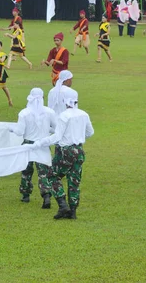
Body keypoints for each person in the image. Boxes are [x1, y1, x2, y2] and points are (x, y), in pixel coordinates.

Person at [36, 88, 94, 220]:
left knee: (52, 176)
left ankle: (62, 205)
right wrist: (77, 136)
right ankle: (73, 211)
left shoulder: (64, 115)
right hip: (79, 151)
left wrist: (41, 142)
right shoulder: (84, 114)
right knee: (74, 181)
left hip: (65, 151)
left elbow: (57, 137)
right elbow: (90, 132)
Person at [11, 88, 57, 207]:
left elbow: (20, 131)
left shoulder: (24, 113)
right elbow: (57, 128)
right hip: (43, 144)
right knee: (44, 172)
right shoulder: (49, 112)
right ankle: (46, 196)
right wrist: (48, 129)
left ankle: (25, 195)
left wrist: (12, 129)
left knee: (26, 171)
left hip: (28, 144)